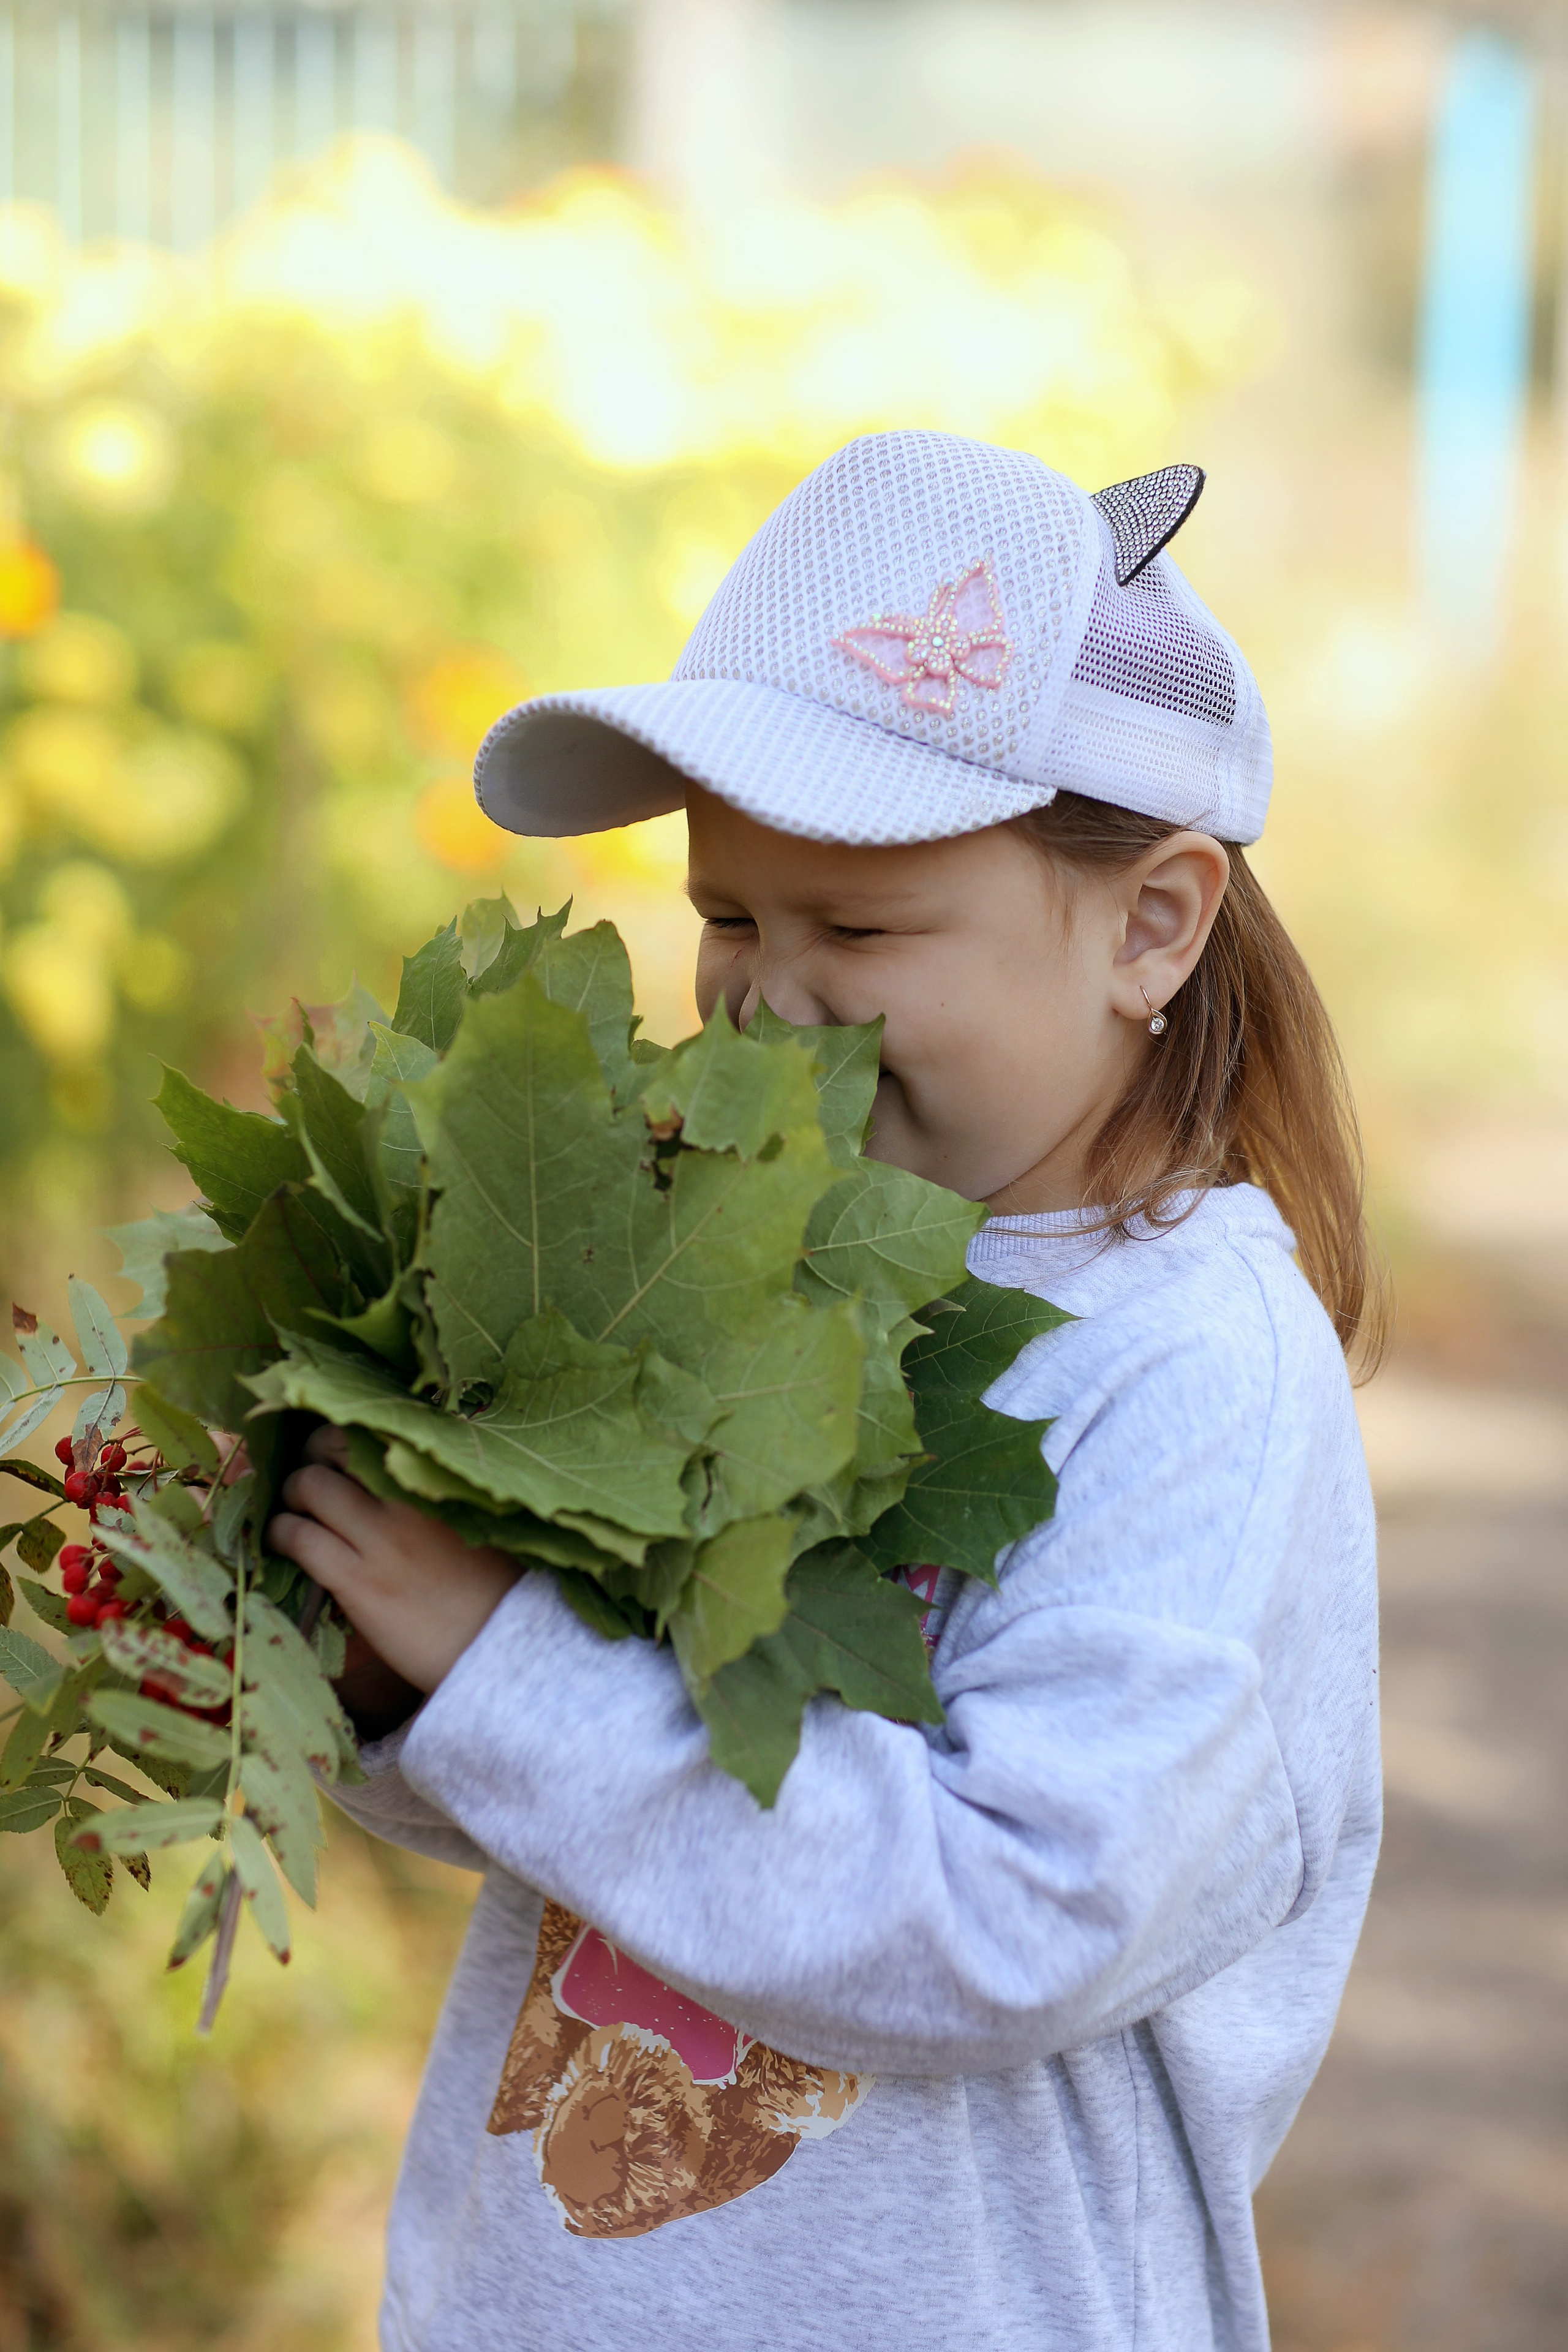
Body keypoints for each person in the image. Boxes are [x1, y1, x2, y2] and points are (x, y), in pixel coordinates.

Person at [267, 432, 1382, 2352]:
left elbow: (1017, 1921)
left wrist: (502, 1664)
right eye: (731, 918)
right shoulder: (743, 1244)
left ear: (1153, 925)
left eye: (857, 929)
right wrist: (378, 1666)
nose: (767, 1000)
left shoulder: (1195, 1370)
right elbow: (591, 1812)